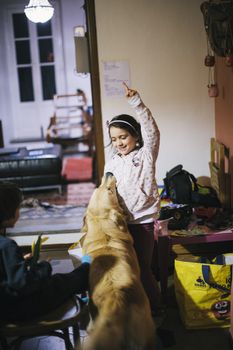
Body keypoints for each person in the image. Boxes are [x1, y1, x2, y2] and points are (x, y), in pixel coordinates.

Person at [104, 82, 162, 317]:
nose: (119, 142)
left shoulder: (146, 155)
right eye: (114, 138)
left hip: (143, 222)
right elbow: (105, 189)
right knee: (125, 269)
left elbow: (153, 131)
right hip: (120, 223)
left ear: (135, 136)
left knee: (142, 269)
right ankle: (134, 310)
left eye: (123, 136)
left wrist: (136, 102)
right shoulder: (113, 161)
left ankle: (157, 311)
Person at [0, 181, 90, 323]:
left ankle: (79, 293)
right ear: (8, 212)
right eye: (18, 208)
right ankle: (86, 271)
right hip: (18, 309)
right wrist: (43, 267)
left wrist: (21, 262)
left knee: (58, 282)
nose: (19, 212)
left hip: (6, 307)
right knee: (60, 281)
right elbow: (24, 284)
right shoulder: (7, 245)